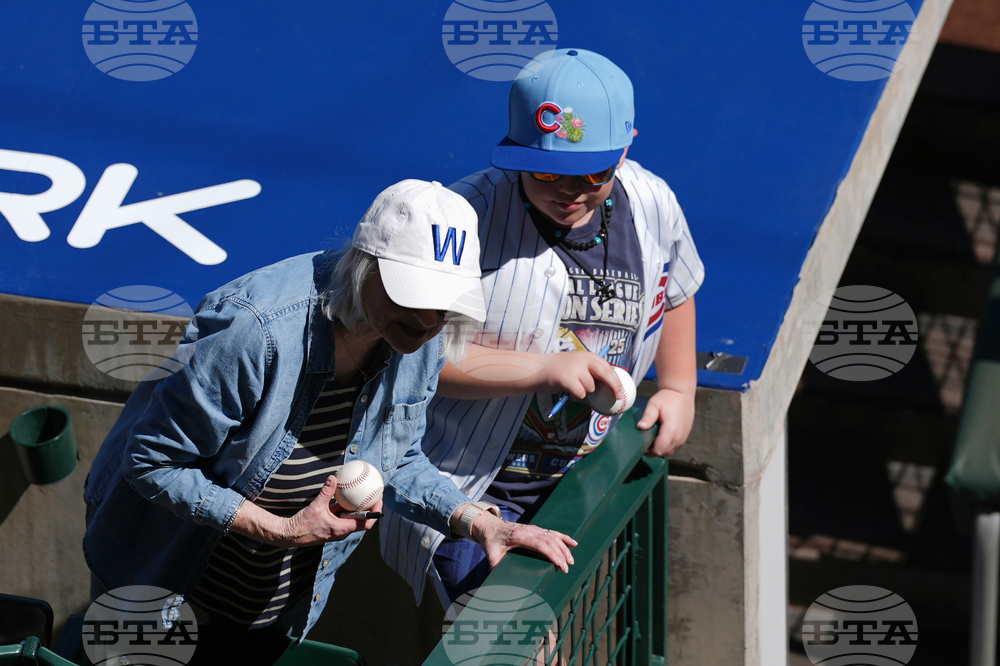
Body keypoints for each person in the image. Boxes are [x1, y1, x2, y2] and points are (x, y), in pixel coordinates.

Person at [82, 180, 577, 666]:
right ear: (364, 267)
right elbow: (153, 462)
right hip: (165, 583)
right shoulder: (255, 331)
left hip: (270, 611)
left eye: (447, 303)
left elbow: (398, 458)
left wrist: (482, 524)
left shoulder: (421, 341)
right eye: (415, 294)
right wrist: (281, 530)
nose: (429, 320)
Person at [380, 50, 705, 609]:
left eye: (594, 172)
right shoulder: (463, 219)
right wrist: (541, 369)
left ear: (625, 149)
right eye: (547, 171)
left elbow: (675, 290)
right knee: (501, 632)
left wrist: (679, 387)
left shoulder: (652, 201)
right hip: (470, 484)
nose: (570, 190)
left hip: (581, 477)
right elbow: (411, 354)